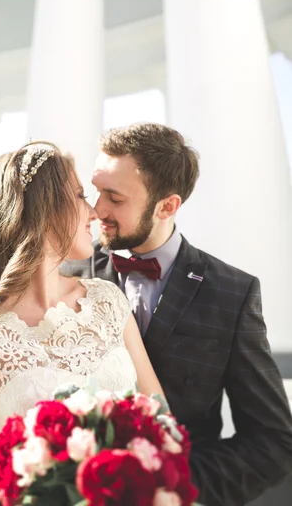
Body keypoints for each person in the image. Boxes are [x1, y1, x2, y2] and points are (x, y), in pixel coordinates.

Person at [0, 141, 165, 506]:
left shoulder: (108, 300)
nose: (93, 211)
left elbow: (159, 419)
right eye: (80, 195)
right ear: (42, 209)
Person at [60, 123, 292, 506]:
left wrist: (172, 489)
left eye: (114, 198)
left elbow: (272, 441)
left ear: (167, 206)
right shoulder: (65, 272)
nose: (96, 209)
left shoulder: (232, 292)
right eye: (96, 191)